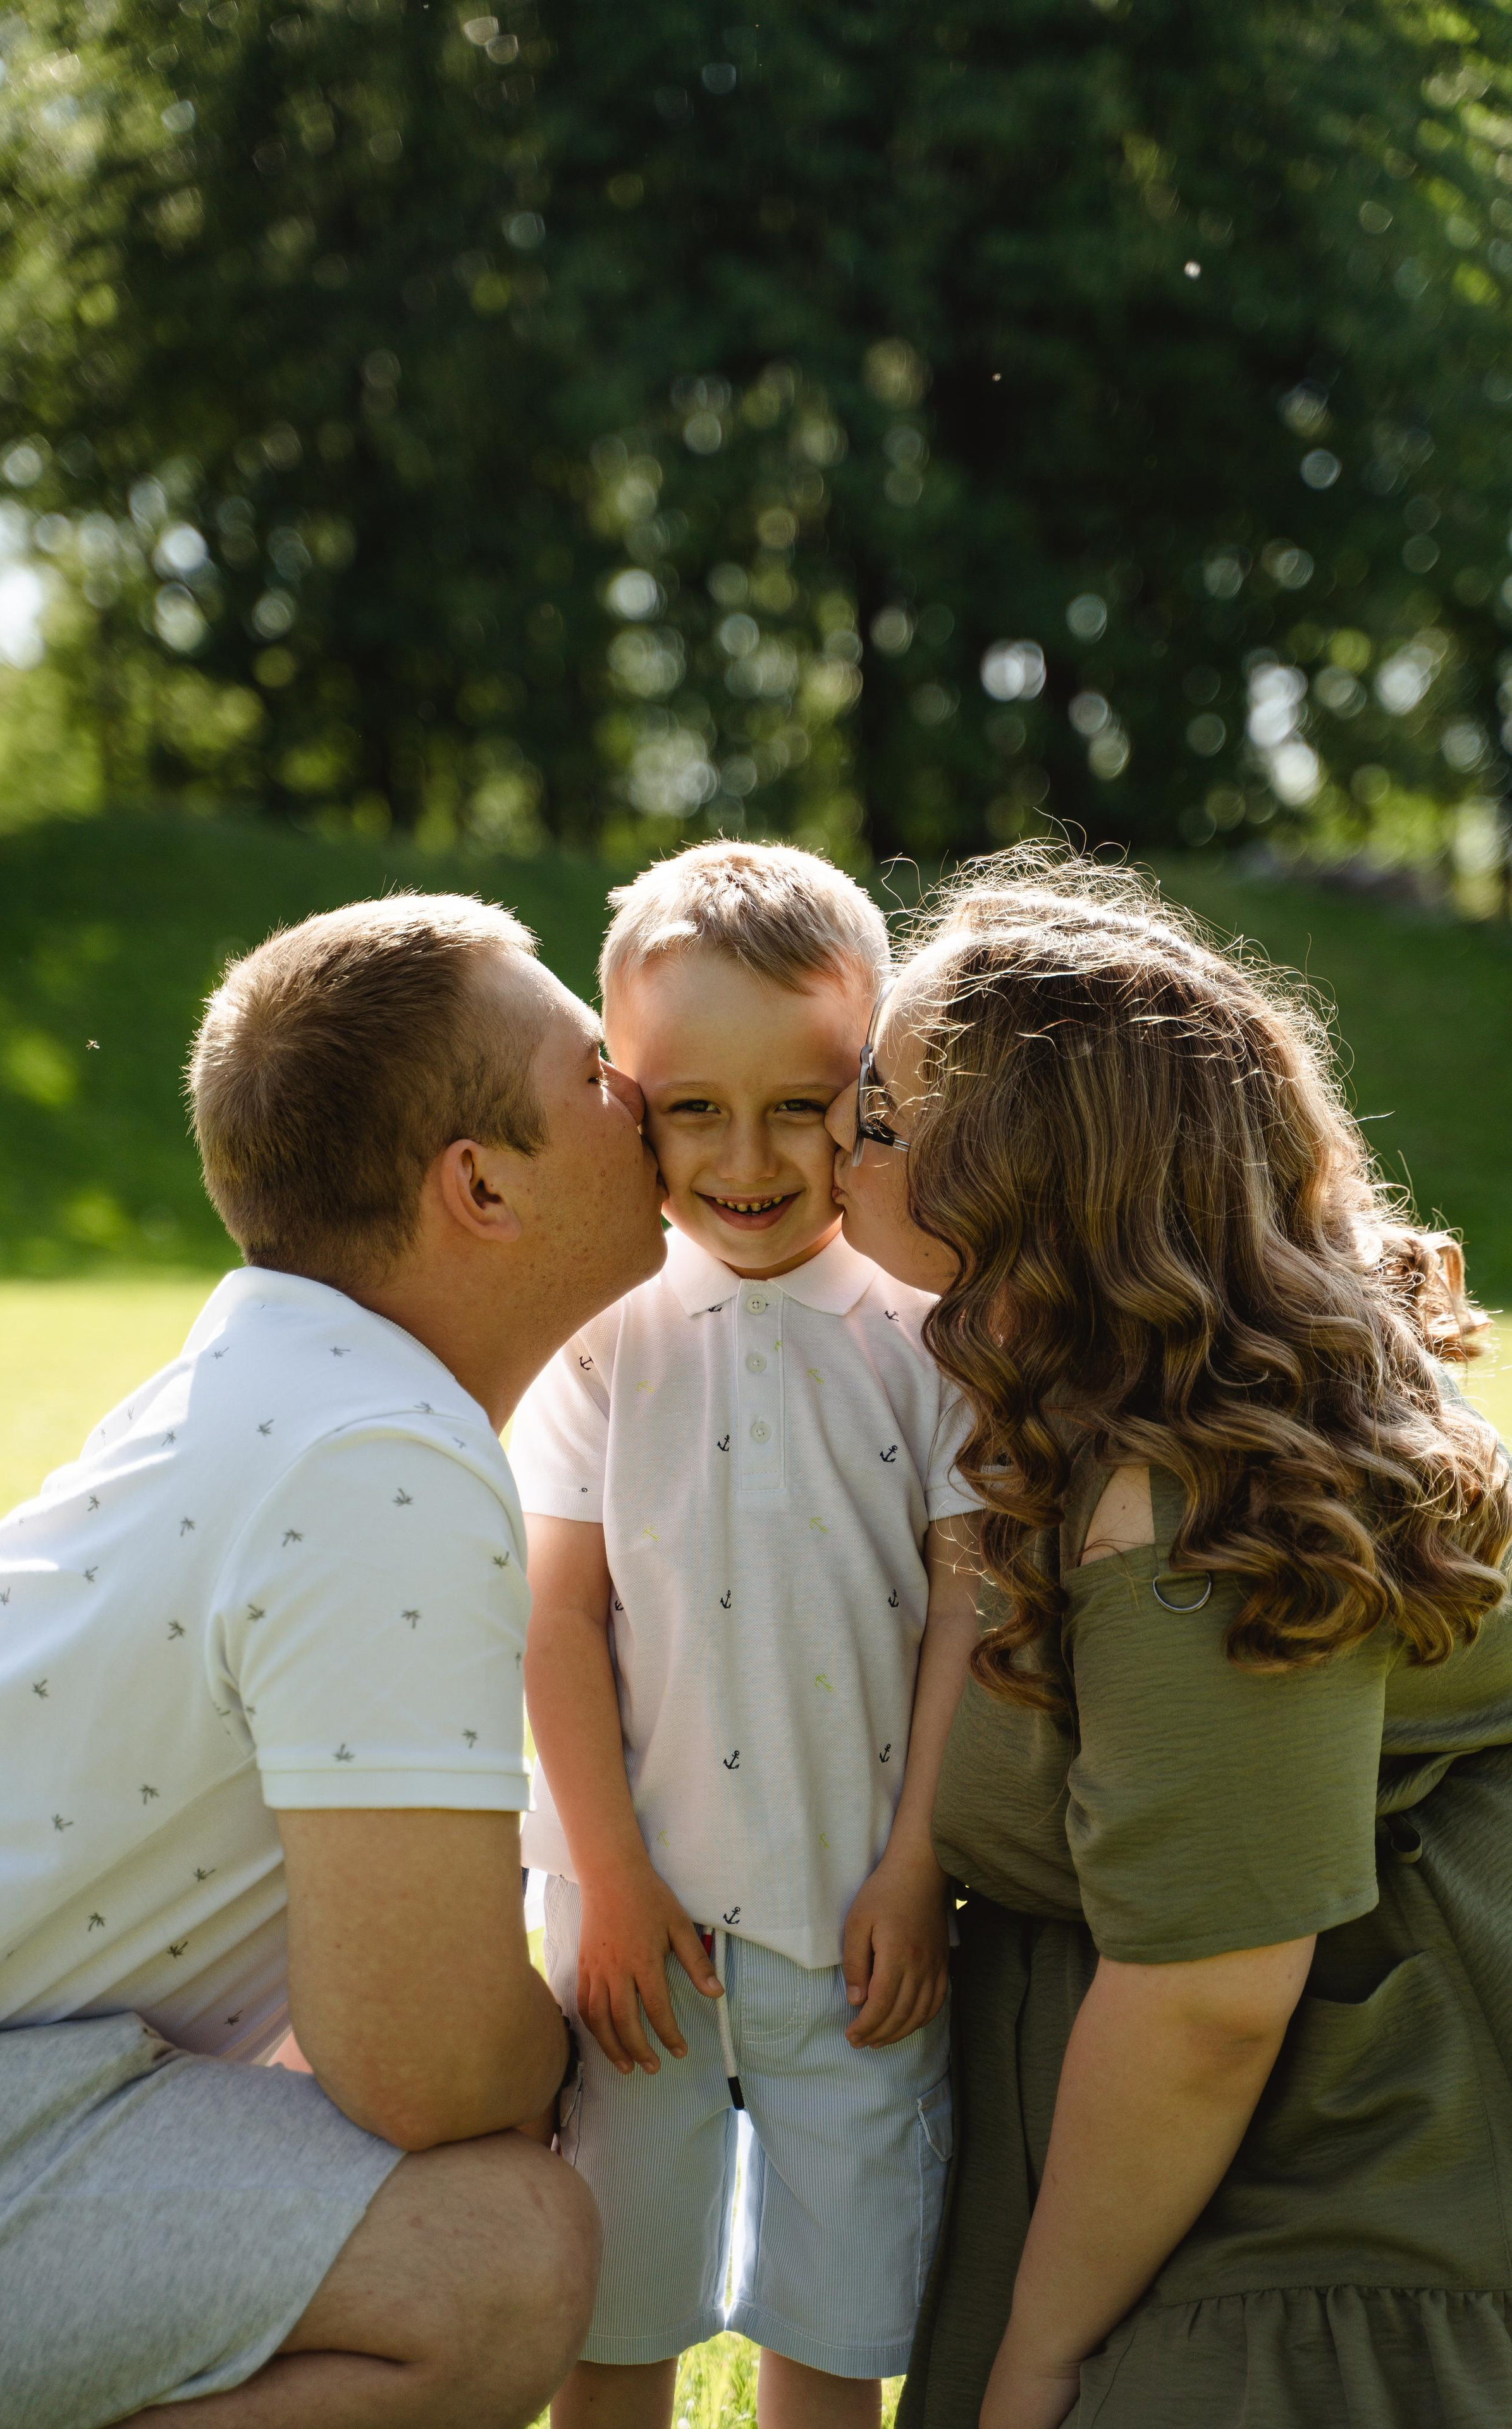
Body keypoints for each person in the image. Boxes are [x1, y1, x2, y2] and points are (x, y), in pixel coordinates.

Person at [0, 893, 667, 2429]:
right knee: (497, 2258)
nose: (634, 1096)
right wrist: (598, 2051)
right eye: (589, 1071)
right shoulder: (378, 1452)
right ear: (481, 1188)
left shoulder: (286, 1377)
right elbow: (428, 2067)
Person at [825, 848, 1512, 2429]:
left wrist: (1039, 2357)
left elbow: (1203, 2005)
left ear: (1021, 1175)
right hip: (1203, 2158)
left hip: (1327, 2200)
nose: (832, 1133)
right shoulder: (1131, 1394)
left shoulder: (1193, 1495)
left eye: (876, 1108)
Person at [513, 843, 980, 2429]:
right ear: (618, 1095)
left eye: (802, 1102)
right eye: (690, 1108)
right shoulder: (594, 1333)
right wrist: (610, 1881)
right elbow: (556, 1618)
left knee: (837, 2324)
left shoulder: (928, 1335)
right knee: (616, 2309)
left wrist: (918, 1864)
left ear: (873, 1087)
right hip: (635, 1913)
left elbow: (964, 1620)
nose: (750, 1156)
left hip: (856, 1907)